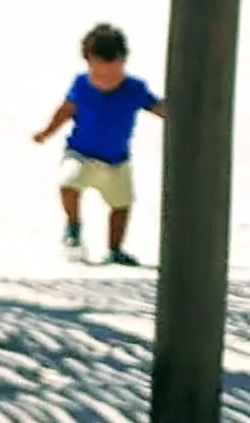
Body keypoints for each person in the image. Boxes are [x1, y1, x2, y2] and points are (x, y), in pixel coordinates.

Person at [31, 22, 167, 264]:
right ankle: (73, 226)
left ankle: (115, 249)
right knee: (67, 184)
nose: (104, 80)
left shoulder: (135, 89)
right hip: (80, 153)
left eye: (111, 73)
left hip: (117, 160)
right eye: (98, 73)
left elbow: (158, 107)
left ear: (123, 61)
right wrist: (46, 132)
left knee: (121, 205)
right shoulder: (81, 85)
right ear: (87, 64)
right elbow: (65, 110)